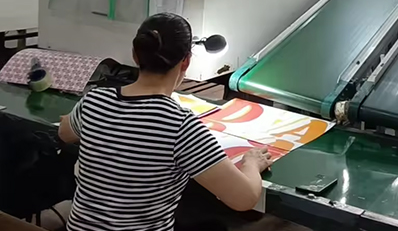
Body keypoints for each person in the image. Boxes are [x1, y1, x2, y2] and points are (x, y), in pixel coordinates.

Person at [58, 12, 272, 231]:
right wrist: (252, 163)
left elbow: (64, 133)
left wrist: (75, 118)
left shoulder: (94, 101)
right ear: (186, 61)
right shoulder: (181, 126)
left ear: (135, 55)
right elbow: (244, 199)